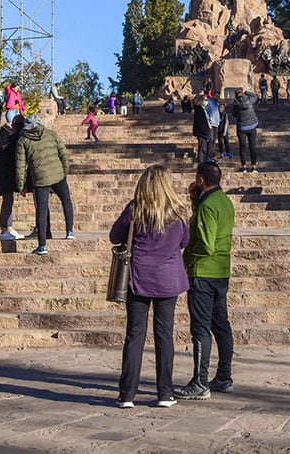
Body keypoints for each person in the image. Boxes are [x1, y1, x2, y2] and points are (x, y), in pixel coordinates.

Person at [110, 165, 190, 409]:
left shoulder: (134, 210)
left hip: (138, 278)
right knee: (165, 335)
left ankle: (127, 394)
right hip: (168, 279)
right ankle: (165, 393)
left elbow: (115, 236)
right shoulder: (178, 212)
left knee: (135, 335)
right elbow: (184, 241)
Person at [176, 161, 235, 401]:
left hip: (203, 272)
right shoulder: (224, 201)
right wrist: (194, 201)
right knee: (221, 324)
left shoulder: (208, 206)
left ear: (201, 180)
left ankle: (200, 381)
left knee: (200, 327)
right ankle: (224, 375)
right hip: (222, 270)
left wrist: (187, 256)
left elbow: (207, 241)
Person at [15, 115, 75, 252]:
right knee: (66, 201)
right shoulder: (52, 134)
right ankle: (70, 232)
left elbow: (20, 166)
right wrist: (63, 172)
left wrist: (21, 186)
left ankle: (42, 245)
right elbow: (64, 155)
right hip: (58, 175)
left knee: (41, 210)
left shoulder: (23, 141)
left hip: (40, 179)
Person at [0, 115, 25, 240]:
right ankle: (5, 229)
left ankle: (7, 228)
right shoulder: (13, 138)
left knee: (8, 200)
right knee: (8, 201)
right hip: (7, 174)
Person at [231, 88, 259, 173]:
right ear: (242, 93)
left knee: (243, 147)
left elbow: (234, 114)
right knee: (252, 146)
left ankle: (244, 166)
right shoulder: (250, 100)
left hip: (242, 127)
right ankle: (254, 166)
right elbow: (255, 96)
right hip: (252, 126)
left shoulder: (236, 103)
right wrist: (248, 92)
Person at [192, 94, 214, 163]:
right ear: (201, 101)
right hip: (202, 132)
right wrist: (205, 131)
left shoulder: (203, 109)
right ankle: (201, 162)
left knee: (204, 148)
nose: (207, 101)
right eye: (205, 100)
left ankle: (205, 160)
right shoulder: (199, 109)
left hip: (205, 131)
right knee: (202, 148)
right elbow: (201, 122)